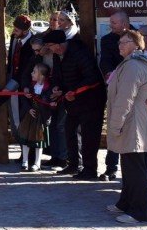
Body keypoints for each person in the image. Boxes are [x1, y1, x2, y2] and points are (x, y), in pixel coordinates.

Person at [105, 30, 147, 224]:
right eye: (119, 42)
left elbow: (125, 98)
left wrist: (115, 124)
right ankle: (125, 202)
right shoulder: (129, 64)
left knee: (135, 167)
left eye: (125, 42)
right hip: (131, 121)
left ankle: (139, 211)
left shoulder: (133, 66)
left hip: (132, 122)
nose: (120, 45)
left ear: (137, 45)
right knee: (128, 165)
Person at [42, 29, 106, 179]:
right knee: (69, 131)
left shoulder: (80, 52)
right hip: (72, 100)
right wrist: (57, 88)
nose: (48, 49)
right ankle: (74, 165)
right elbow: (57, 76)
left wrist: (73, 92)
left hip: (91, 100)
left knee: (89, 136)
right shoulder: (58, 56)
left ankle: (90, 170)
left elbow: (92, 78)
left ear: (57, 45)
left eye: (49, 46)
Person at [98, 11, 137, 181]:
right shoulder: (107, 40)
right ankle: (110, 168)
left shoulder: (139, 36)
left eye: (114, 23)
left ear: (125, 24)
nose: (110, 25)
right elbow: (104, 60)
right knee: (114, 127)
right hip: (115, 87)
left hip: (136, 91)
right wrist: (109, 75)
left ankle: (134, 171)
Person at [28, 34, 66, 168]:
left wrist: (57, 89)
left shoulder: (56, 55)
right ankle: (54, 156)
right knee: (53, 127)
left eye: (39, 50)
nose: (37, 53)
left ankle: (63, 158)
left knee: (61, 126)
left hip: (58, 94)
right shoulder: (39, 58)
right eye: (35, 51)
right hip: (49, 97)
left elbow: (59, 73)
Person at [6, 15, 35, 157]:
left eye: (17, 29)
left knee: (26, 118)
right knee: (16, 119)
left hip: (26, 86)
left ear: (25, 30)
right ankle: (22, 150)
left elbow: (26, 69)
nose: (14, 31)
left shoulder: (33, 43)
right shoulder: (14, 38)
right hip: (13, 84)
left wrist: (12, 85)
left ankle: (29, 153)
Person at [19, 62, 55, 171]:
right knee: (25, 138)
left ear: (41, 76)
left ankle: (37, 163)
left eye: (34, 72)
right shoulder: (30, 86)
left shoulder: (49, 88)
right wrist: (29, 109)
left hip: (41, 118)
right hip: (29, 116)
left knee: (39, 141)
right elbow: (24, 99)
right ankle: (24, 161)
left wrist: (50, 104)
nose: (31, 73)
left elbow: (50, 102)